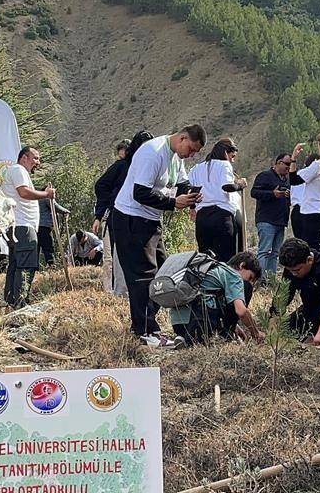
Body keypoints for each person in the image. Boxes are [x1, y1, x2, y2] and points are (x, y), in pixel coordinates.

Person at [110, 124, 206, 346]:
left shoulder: (176, 156)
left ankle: (151, 322)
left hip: (151, 220)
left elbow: (180, 183)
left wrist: (190, 195)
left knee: (165, 273)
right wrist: (173, 203)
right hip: (131, 218)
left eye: (194, 153)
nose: (190, 155)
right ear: (182, 138)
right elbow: (140, 191)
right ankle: (144, 331)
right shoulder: (153, 152)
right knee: (142, 276)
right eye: (190, 149)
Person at [94, 132, 150, 297]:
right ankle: (120, 292)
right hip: (119, 215)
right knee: (117, 254)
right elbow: (101, 185)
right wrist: (109, 205)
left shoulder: (144, 166)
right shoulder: (121, 166)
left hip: (141, 216)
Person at [167, 250, 263, 345]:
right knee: (247, 288)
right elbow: (241, 311)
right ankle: (222, 335)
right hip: (199, 321)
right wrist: (256, 333)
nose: (249, 281)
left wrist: (235, 327)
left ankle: (185, 337)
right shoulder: (234, 276)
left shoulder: (213, 268)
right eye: (250, 277)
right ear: (242, 265)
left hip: (178, 323)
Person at [2, 146, 54, 309]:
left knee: (16, 263)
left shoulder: (16, 171)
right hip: (23, 226)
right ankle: (21, 302)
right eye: (35, 158)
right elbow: (24, 193)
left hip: (18, 225)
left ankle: (12, 300)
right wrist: (46, 194)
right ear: (24, 158)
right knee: (26, 264)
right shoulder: (18, 170)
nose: (38, 162)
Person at [188, 137, 245, 262]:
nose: (233, 160)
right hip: (221, 217)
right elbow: (227, 187)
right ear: (225, 153)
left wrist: (192, 208)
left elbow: (193, 191)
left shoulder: (197, 168)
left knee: (206, 259)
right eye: (232, 156)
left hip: (202, 219)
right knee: (225, 260)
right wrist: (240, 184)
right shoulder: (224, 165)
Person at [250, 153, 293, 275]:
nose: (288, 168)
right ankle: (260, 279)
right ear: (279, 162)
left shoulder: (287, 180)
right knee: (264, 251)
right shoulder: (265, 176)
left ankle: (270, 280)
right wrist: (272, 194)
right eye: (287, 164)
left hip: (281, 221)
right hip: (266, 220)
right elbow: (254, 192)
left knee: (275, 253)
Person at [37, 196, 69, 267]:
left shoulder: (36, 199)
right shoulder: (46, 198)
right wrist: (65, 211)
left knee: (36, 249)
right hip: (44, 227)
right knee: (48, 247)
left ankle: (34, 269)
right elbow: (55, 206)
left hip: (36, 227)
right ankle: (51, 266)